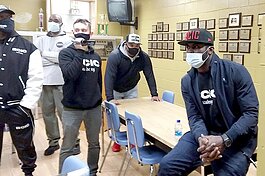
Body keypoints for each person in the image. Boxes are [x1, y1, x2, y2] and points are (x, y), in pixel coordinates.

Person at [158, 28, 259, 176]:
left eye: (197, 47)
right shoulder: (187, 81)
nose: (191, 52)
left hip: (236, 137)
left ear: (210, 50)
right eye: (188, 47)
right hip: (205, 135)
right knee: (167, 167)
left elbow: (251, 114)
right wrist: (202, 139)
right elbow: (194, 117)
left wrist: (225, 139)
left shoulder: (235, 72)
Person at [0, 5, 43, 176]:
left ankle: (28, 172)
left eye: (7, 17)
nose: (4, 20)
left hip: (17, 107)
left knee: (24, 145)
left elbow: (36, 79)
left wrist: (26, 105)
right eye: (1, 17)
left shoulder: (28, 48)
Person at [58, 18, 102, 176]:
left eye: (84, 30)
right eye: (77, 30)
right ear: (72, 32)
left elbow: (98, 81)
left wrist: (100, 101)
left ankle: (92, 172)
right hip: (72, 109)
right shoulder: (65, 53)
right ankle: (63, 173)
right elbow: (70, 75)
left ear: (90, 33)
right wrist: (79, 52)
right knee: (68, 146)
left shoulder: (96, 56)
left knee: (94, 144)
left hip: (93, 108)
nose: (80, 33)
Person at [104, 33, 160, 152]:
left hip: (131, 87)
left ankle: (133, 140)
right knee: (115, 116)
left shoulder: (143, 57)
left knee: (132, 116)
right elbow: (109, 76)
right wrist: (110, 98)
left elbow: (149, 74)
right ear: (126, 44)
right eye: (131, 44)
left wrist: (154, 94)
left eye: (137, 45)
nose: (134, 47)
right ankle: (116, 140)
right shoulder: (115, 56)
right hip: (116, 89)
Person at [34, 14, 73, 156]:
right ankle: (53, 142)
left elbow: (64, 59)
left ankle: (70, 142)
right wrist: (54, 58)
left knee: (65, 114)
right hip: (44, 82)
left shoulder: (68, 40)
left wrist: (45, 54)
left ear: (61, 23)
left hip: (61, 82)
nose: (52, 23)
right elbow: (36, 60)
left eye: (56, 21)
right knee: (47, 114)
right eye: (50, 20)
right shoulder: (40, 40)